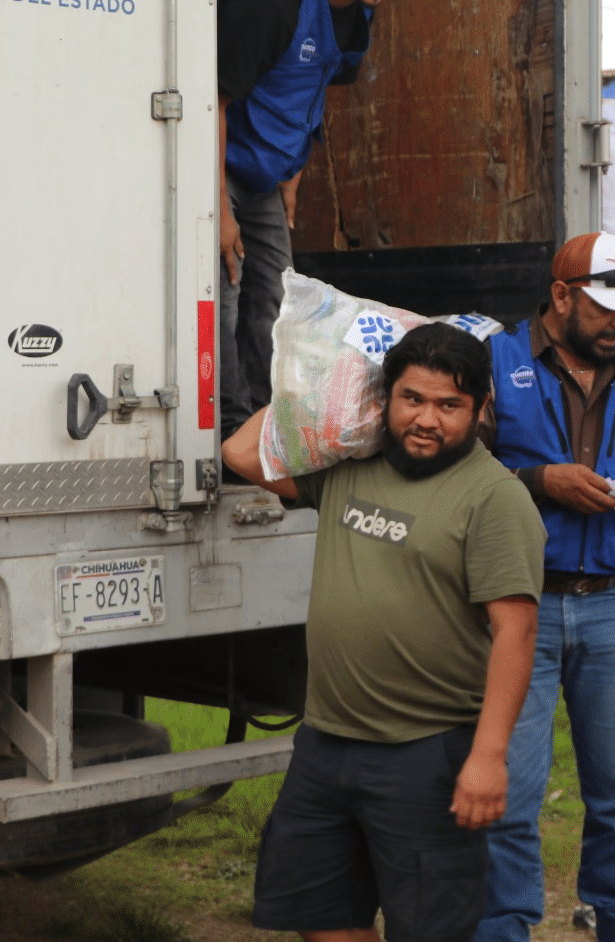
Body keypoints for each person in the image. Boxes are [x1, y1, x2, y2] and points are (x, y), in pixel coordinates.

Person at [221, 323, 543, 942]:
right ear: (384, 397)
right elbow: (240, 454)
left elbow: (517, 631)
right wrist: (328, 389)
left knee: (429, 929)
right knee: (323, 917)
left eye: (449, 405)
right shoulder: (349, 467)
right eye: (411, 399)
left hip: (427, 751)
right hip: (326, 743)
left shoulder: (492, 497)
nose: (427, 419)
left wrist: (488, 757)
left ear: (480, 410)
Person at [477, 232, 615, 942]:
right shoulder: (495, 361)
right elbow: (454, 475)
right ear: (562, 296)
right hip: (520, 605)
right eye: (606, 309)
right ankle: (504, 930)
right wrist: (540, 482)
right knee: (510, 797)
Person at [215, 0, 431, 435]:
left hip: (265, 175)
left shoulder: (358, 6)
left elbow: (316, 85)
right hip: (213, 165)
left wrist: (294, 171)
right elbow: (209, 101)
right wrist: (215, 205)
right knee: (227, 295)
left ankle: (264, 426)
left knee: (276, 297)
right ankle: (225, 431)